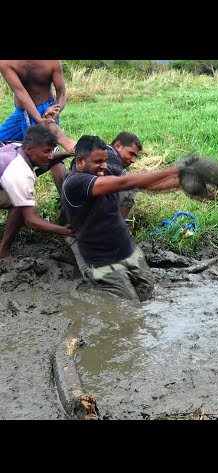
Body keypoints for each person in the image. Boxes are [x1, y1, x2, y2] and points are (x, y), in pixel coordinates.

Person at [61, 135, 180, 302]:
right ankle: (86, 296)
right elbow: (124, 183)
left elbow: (145, 184)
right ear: (80, 161)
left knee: (147, 286)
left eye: (105, 160)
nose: (103, 166)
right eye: (97, 162)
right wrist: (172, 170)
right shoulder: (75, 182)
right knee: (126, 300)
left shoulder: (107, 169)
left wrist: (180, 181)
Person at [0, 124, 74, 258]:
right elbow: (31, 220)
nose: (50, 156)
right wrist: (64, 230)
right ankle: (3, 251)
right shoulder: (20, 173)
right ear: (29, 149)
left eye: (51, 151)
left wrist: (67, 153)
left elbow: (49, 156)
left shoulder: (16, 147)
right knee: (19, 204)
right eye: (47, 151)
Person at [0, 60, 75, 191]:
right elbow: (20, 92)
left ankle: (66, 200)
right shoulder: (6, 62)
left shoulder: (52, 62)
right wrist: (39, 120)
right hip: (22, 113)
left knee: (51, 152)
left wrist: (55, 110)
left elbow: (61, 93)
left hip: (47, 110)